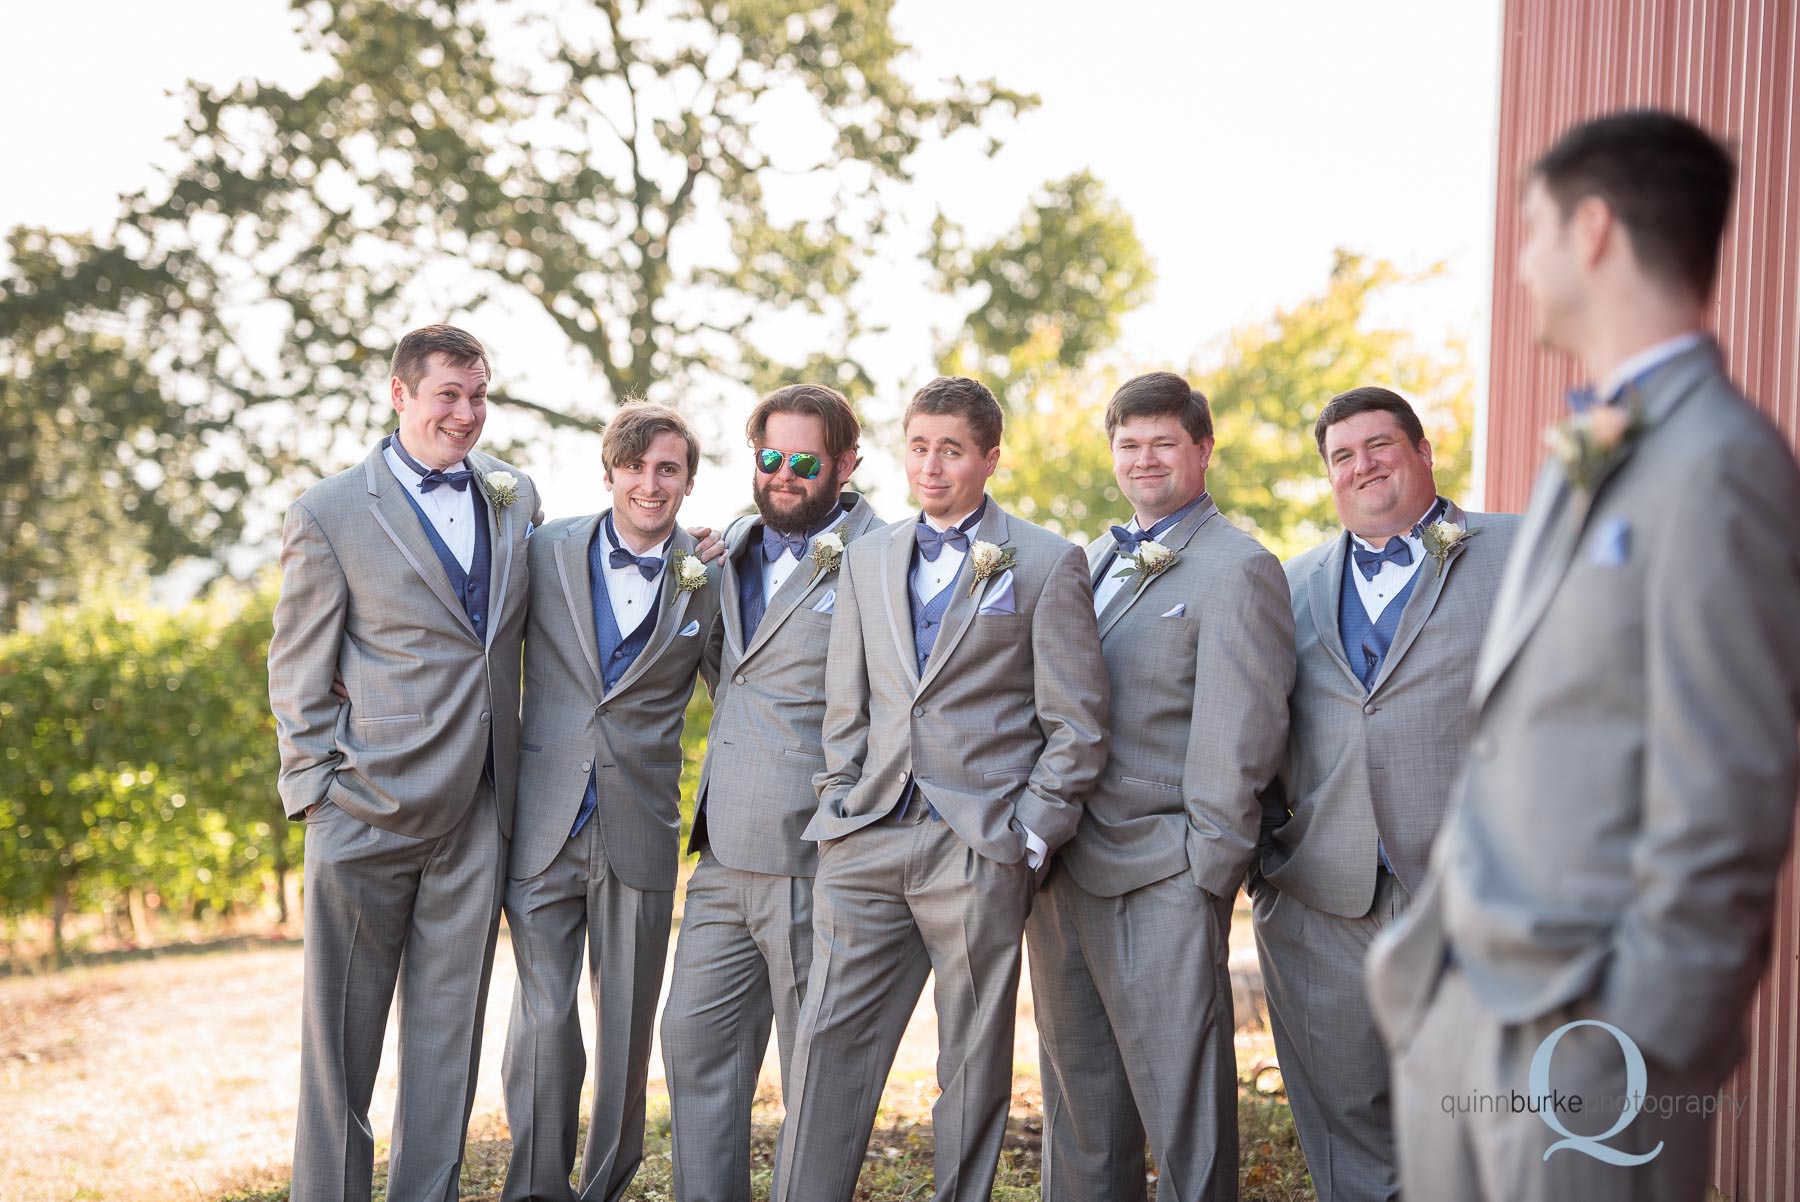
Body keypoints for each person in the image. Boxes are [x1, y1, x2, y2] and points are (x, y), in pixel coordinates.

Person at [1368, 109, 1800, 1201]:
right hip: (1461, 1006)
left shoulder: (1724, 464)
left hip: (1589, 1045)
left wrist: (1634, 1053)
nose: (1522, 262)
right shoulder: (1581, 454)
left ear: (1595, 230)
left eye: (1534, 230)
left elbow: (1732, 796)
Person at [772, 376, 1110, 1202]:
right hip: (866, 835)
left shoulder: (1046, 559)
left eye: (951, 449)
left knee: (971, 1059)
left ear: (991, 457)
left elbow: (1076, 722)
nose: (930, 465)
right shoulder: (868, 556)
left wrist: (1029, 834)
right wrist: (840, 801)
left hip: (979, 844)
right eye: (919, 446)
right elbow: (845, 703)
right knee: (826, 1045)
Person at [269, 324, 543, 1202]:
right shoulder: (330, 511)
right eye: (448, 396)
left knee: (447, 1042)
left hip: (479, 812)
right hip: (364, 813)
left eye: (478, 395)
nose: (466, 414)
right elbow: (298, 670)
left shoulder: (516, 495)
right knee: (339, 1049)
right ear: (400, 395)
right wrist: (318, 790)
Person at [1028, 371, 1294, 1202]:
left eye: (1163, 443)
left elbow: (1241, 735)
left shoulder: (1238, 567)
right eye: (1128, 443)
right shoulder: (1096, 556)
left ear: (1202, 449)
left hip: (1162, 876)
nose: (1144, 459)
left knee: (1184, 1119)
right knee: (1080, 1109)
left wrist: (1202, 872)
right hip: (1064, 874)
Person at [1252, 385, 1518, 1202]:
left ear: (1422, 452)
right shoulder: (1286, 583)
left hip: (1471, 885)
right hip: (1323, 899)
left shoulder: (1516, 549)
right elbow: (1249, 721)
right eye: (1342, 456)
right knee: (1346, 1114)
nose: (1360, 465)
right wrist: (1268, 858)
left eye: (1379, 446)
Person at [660, 382, 923, 1202]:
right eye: (769, 458)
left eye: (804, 462)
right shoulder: (728, 546)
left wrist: (859, 826)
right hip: (721, 854)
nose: (783, 475)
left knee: (817, 1073)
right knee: (694, 1042)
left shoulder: (887, 559)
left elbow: (906, 705)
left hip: (819, 856)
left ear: (846, 465)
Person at [499, 403, 721, 1202]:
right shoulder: (547, 548)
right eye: (634, 466)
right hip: (543, 823)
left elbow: (744, 689)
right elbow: (475, 638)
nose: (649, 483)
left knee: (627, 1032)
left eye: (667, 469)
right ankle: (535, 1189)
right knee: (545, 1019)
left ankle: (605, 1188)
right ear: (609, 473)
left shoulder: (713, 576)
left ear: (689, 480)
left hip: (640, 826)